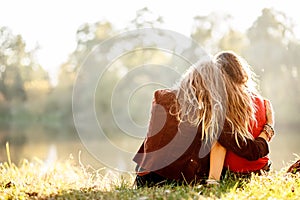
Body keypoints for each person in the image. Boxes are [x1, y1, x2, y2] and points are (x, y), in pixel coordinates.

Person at [133, 57, 271, 187]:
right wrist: (268, 128)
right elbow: (251, 151)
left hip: (144, 177)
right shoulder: (212, 112)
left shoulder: (161, 97)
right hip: (176, 180)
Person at [208, 51, 275, 183]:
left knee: (216, 137)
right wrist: (270, 125)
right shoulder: (263, 102)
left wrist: (213, 181)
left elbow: (220, 146)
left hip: (235, 174)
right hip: (262, 170)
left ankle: (213, 179)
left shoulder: (222, 105)